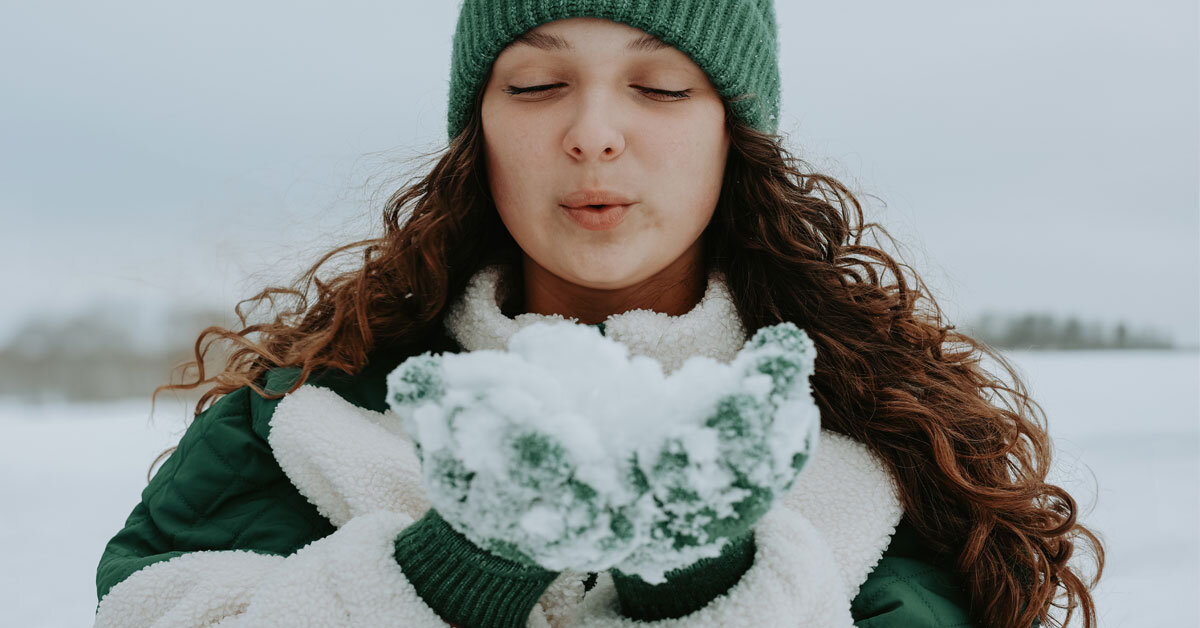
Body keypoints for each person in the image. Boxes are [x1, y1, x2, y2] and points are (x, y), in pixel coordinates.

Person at [93, 2, 1104, 627]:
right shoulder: (315, 412)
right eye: (536, 84)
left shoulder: (881, 439)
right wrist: (450, 573)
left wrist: (710, 585)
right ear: (476, 126)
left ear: (733, 133)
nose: (593, 134)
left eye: (660, 86)